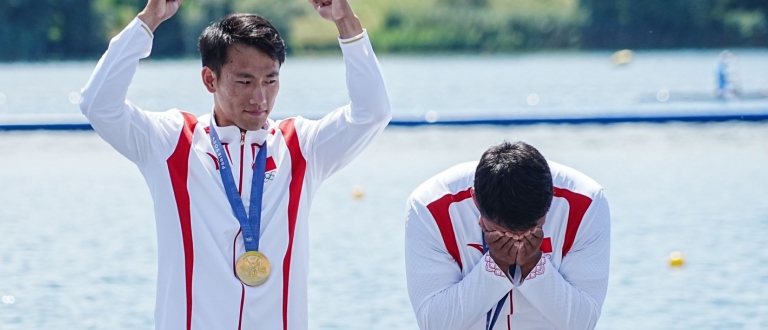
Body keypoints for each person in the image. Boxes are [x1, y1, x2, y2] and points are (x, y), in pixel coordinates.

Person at [79, 0, 390, 328]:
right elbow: (98, 104)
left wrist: (346, 23)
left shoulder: (302, 146)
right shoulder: (170, 143)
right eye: (245, 82)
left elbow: (373, 113)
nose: (260, 98)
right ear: (209, 79)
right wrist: (148, 20)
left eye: (270, 81)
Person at [404, 141, 610, 330]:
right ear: (476, 201)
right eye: (504, 232)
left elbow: (583, 322)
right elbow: (434, 324)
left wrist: (533, 264)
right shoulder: (429, 206)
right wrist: (495, 264)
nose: (517, 240)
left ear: (551, 201)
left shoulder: (587, 203)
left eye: (531, 230)